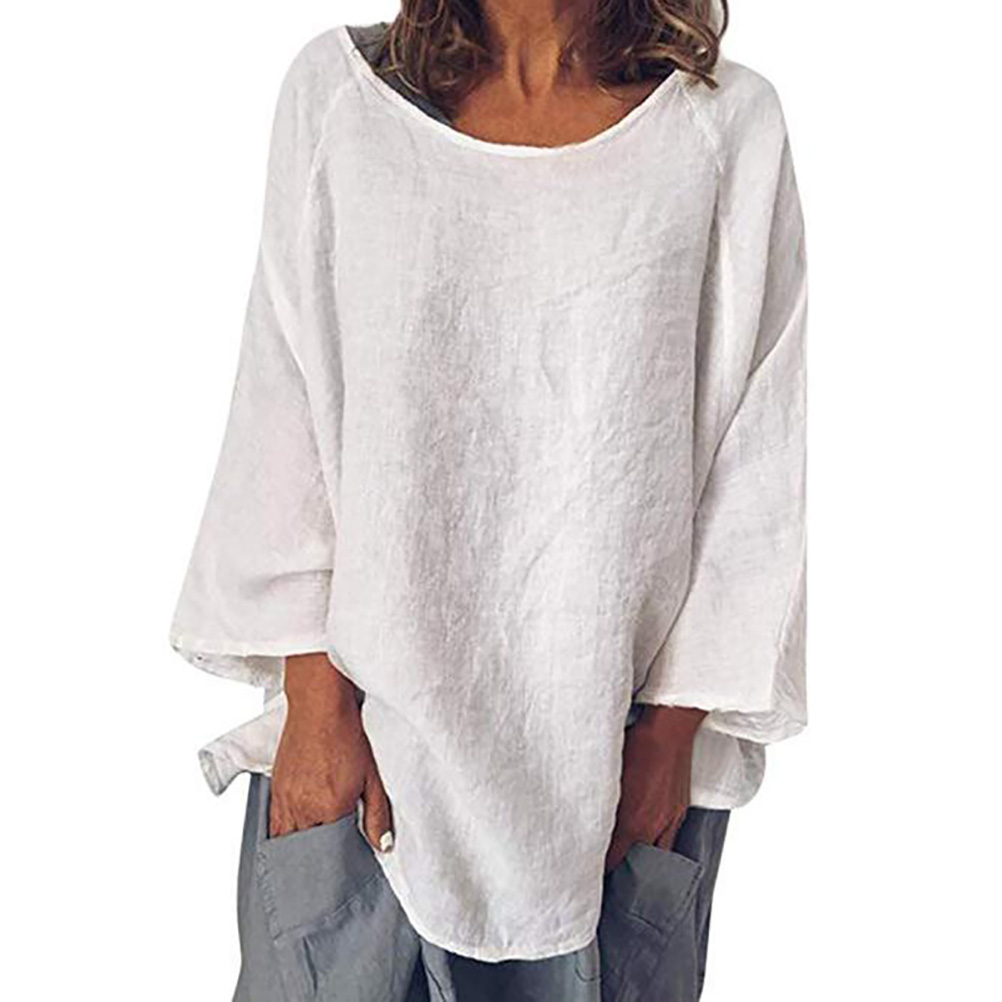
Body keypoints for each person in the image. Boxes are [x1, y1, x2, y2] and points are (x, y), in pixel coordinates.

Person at [168, 2, 808, 999]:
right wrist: (317, 704)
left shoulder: (723, 129)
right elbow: (284, 397)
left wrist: (672, 737)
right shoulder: (341, 99)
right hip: (364, 750)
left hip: (615, 770)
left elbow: (754, 455)